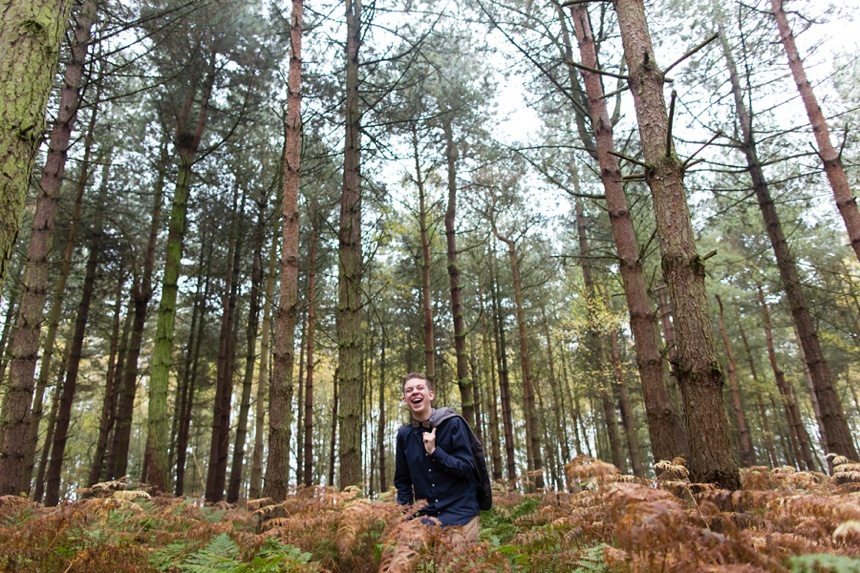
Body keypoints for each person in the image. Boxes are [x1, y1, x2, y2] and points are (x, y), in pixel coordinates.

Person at [393, 372, 480, 544]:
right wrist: (405, 518)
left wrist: (435, 452)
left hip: (461, 517)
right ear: (405, 399)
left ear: (430, 395)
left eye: (420, 388)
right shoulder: (404, 436)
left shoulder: (453, 424)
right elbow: (403, 482)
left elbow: (468, 469)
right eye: (409, 390)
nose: (415, 392)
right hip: (424, 520)